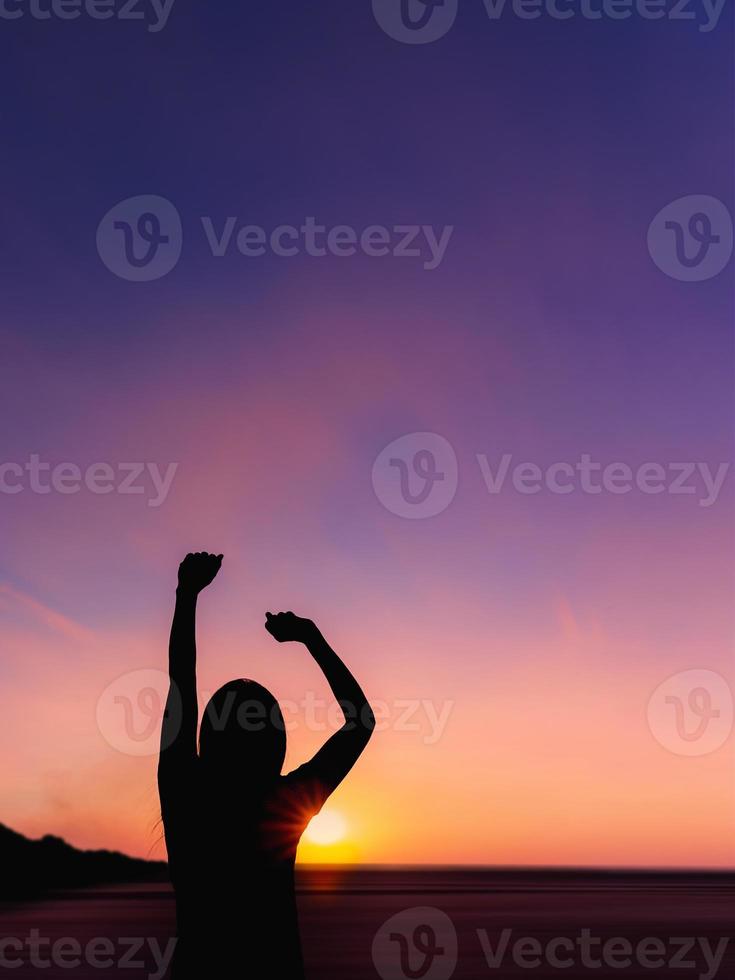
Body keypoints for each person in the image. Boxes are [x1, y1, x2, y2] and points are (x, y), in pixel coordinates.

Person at [157, 552, 375, 978]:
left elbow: (180, 679)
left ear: (208, 737)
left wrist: (187, 595)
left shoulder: (184, 789)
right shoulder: (284, 803)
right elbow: (361, 721)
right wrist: (311, 639)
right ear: (276, 742)